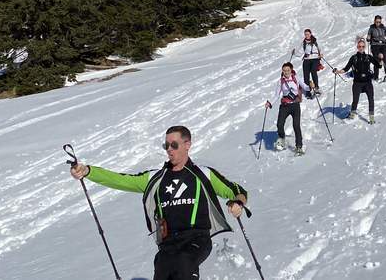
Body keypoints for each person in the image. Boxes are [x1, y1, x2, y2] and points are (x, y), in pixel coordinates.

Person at [69, 125, 248, 280]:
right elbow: (121, 180)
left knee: (184, 262)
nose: (169, 149)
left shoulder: (203, 174)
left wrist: (237, 204)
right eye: (166, 145)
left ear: (187, 145)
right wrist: (88, 171)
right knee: (163, 266)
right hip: (168, 243)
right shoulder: (156, 177)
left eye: (174, 145)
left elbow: (237, 191)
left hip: (197, 237)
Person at [266, 62, 313, 155]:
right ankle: (282, 139)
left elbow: (305, 88)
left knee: (296, 126)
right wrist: (269, 103)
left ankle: (299, 146)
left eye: (288, 70)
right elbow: (276, 95)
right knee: (280, 124)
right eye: (284, 70)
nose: (286, 72)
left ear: (291, 70)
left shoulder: (296, 78)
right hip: (285, 106)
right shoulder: (280, 81)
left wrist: (311, 87)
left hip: (295, 105)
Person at [333, 39, 382, 125]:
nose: (361, 48)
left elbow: (378, 65)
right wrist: (338, 71)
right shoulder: (353, 58)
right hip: (357, 83)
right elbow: (346, 68)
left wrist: (381, 58)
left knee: (371, 99)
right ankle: (352, 116)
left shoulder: (368, 57)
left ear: (365, 47)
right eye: (359, 46)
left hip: (367, 83)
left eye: (363, 46)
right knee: (355, 100)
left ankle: (371, 117)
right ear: (357, 47)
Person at [366, 15, 386, 81]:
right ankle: (376, 76)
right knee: (376, 59)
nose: (378, 23)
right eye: (377, 22)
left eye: (379, 22)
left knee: (385, 59)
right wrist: (368, 38)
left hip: (383, 44)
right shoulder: (371, 28)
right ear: (374, 21)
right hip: (375, 45)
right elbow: (369, 35)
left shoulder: (384, 28)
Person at [300, 29, 323, 98]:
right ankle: (308, 90)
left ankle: (316, 88)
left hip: (315, 58)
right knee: (306, 75)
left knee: (313, 71)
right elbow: (300, 51)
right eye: (305, 34)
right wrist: (294, 52)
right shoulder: (303, 42)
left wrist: (320, 54)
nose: (307, 35)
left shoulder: (315, 41)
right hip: (307, 59)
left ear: (310, 34)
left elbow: (320, 48)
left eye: (308, 34)